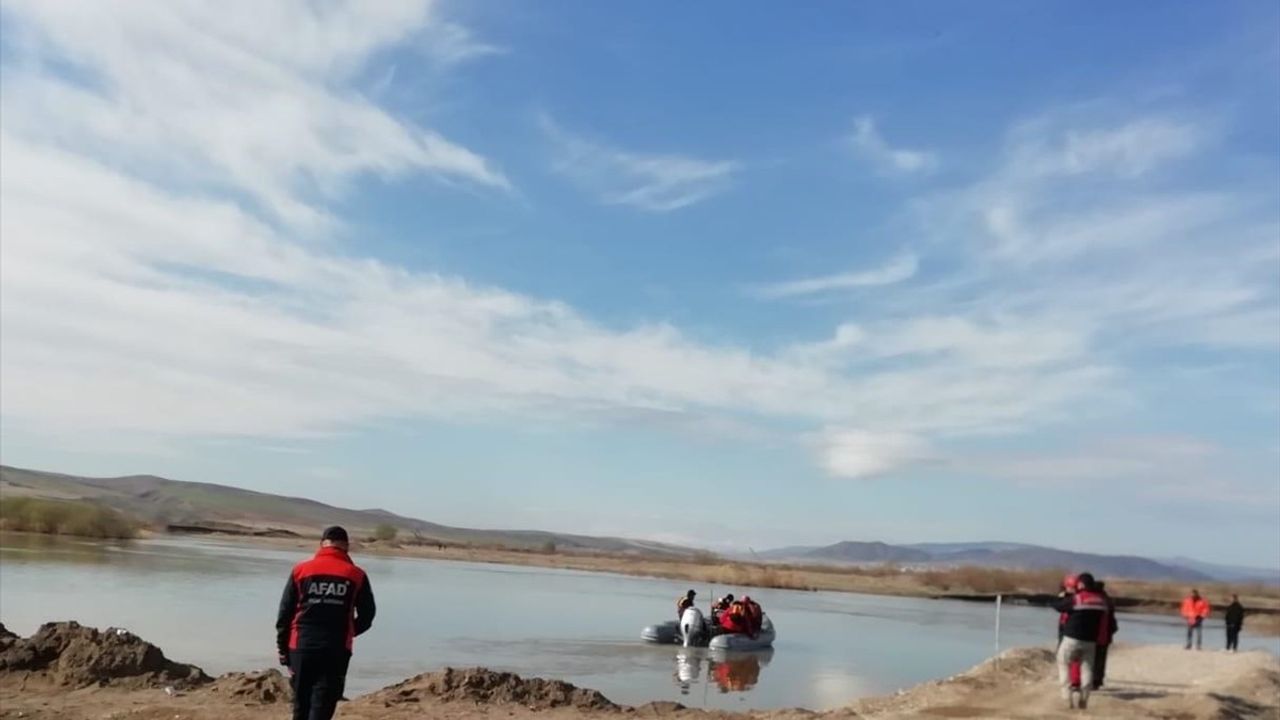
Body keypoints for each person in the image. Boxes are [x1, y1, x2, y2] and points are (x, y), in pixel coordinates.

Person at [276, 526, 376, 720]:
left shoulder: (300, 570)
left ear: (322, 544)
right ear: (346, 546)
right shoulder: (356, 574)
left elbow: (284, 615)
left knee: (300, 704)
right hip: (336, 648)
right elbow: (368, 615)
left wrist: (282, 649)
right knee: (323, 705)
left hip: (301, 645)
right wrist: (350, 631)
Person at [1051, 572, 1108, 710]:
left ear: (1081, 585)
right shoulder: (1101, 601)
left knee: (1063, 662)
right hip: (1090, 641)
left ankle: (1067, 697)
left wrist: (1063, 595)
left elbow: (1058, 606)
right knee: (1087, 669)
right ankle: (1084, 698)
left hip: (1072, 638)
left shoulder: (1077, 599)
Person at [1091, 581, 1119, 690]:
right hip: (1106, 635)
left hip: (1095, 634)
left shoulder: (1096, 600)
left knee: (1092, 657)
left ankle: (1093, 679)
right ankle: (1098, 680)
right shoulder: (1108, 600)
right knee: (1101, 658)